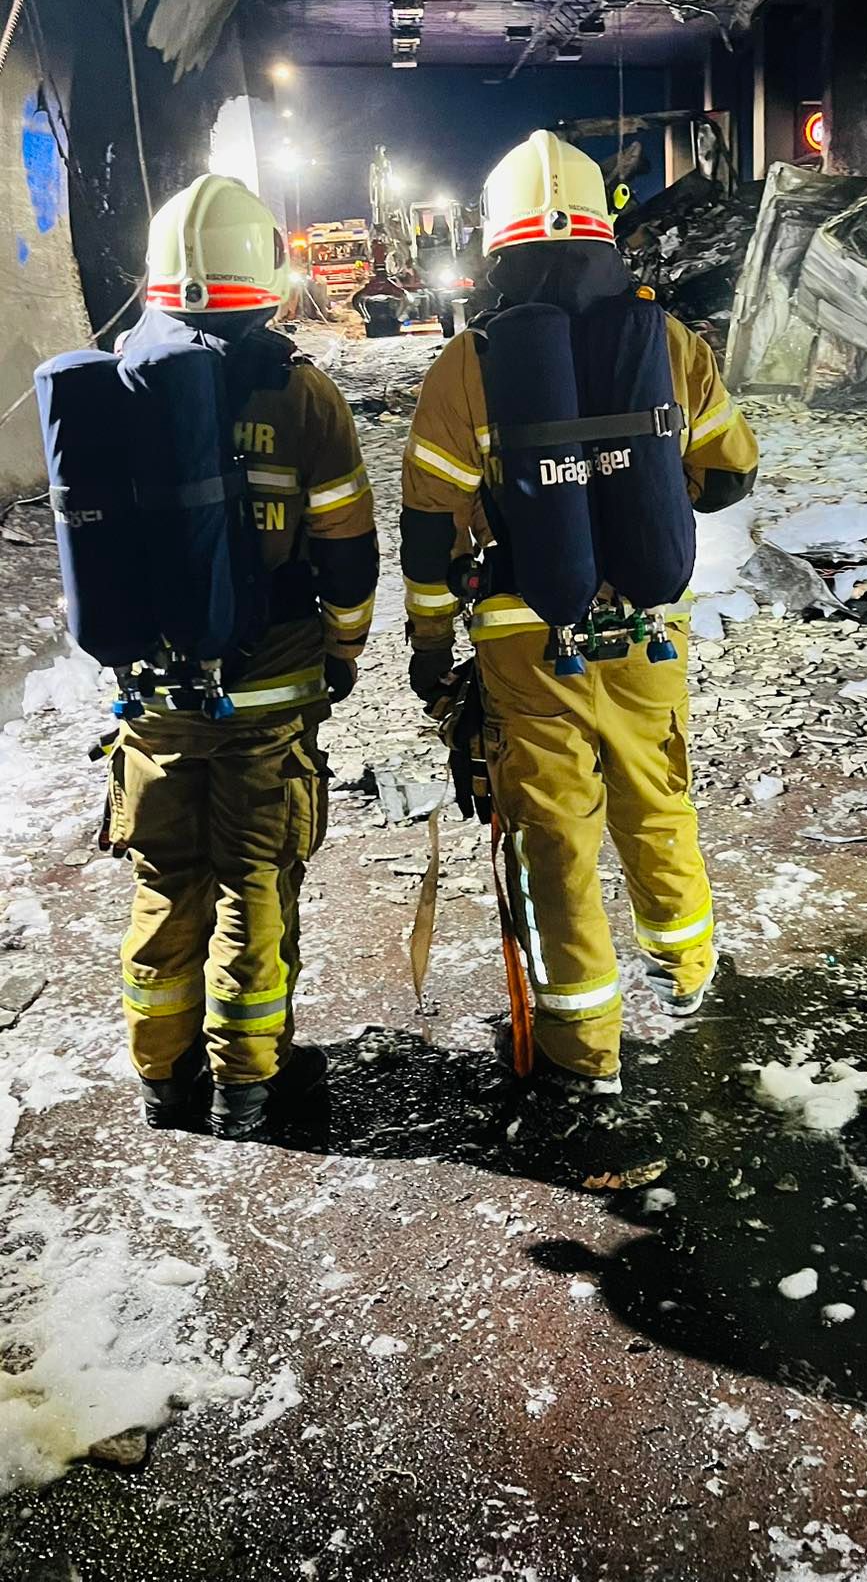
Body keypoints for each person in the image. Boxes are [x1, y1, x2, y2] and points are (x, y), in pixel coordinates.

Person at [400, 131, 758, 1097]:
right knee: (657, 799)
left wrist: (431, 643)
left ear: (496, 240)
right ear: (608, 229)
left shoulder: (466, 365)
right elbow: (728, 477)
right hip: (647, 627)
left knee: (554, 837)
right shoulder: (673, 343)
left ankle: (579, 1047)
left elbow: (431, 530)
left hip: (526, 638)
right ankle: (686, 971)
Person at [108, 176, 378, 1140]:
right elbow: (346, 546)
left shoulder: (112, 386)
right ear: (264, 272)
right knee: (253, 881)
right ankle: (247, 1082)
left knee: (165, 878)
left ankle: (161, 1074)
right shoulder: (300, 394)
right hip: (269, 693)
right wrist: (345, 647)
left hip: (154, 698)